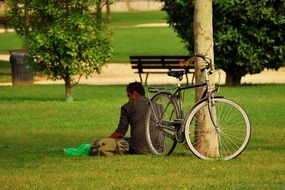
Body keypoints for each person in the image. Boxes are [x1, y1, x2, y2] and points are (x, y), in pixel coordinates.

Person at [109, 82, 151, 154]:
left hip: (138, 148)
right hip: (157, 147)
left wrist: (107, 140)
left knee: (118, 141)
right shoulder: (157, 105)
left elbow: (120, 132)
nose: (128, 99)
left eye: (128, 96)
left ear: (134, 94)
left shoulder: (127, 107)